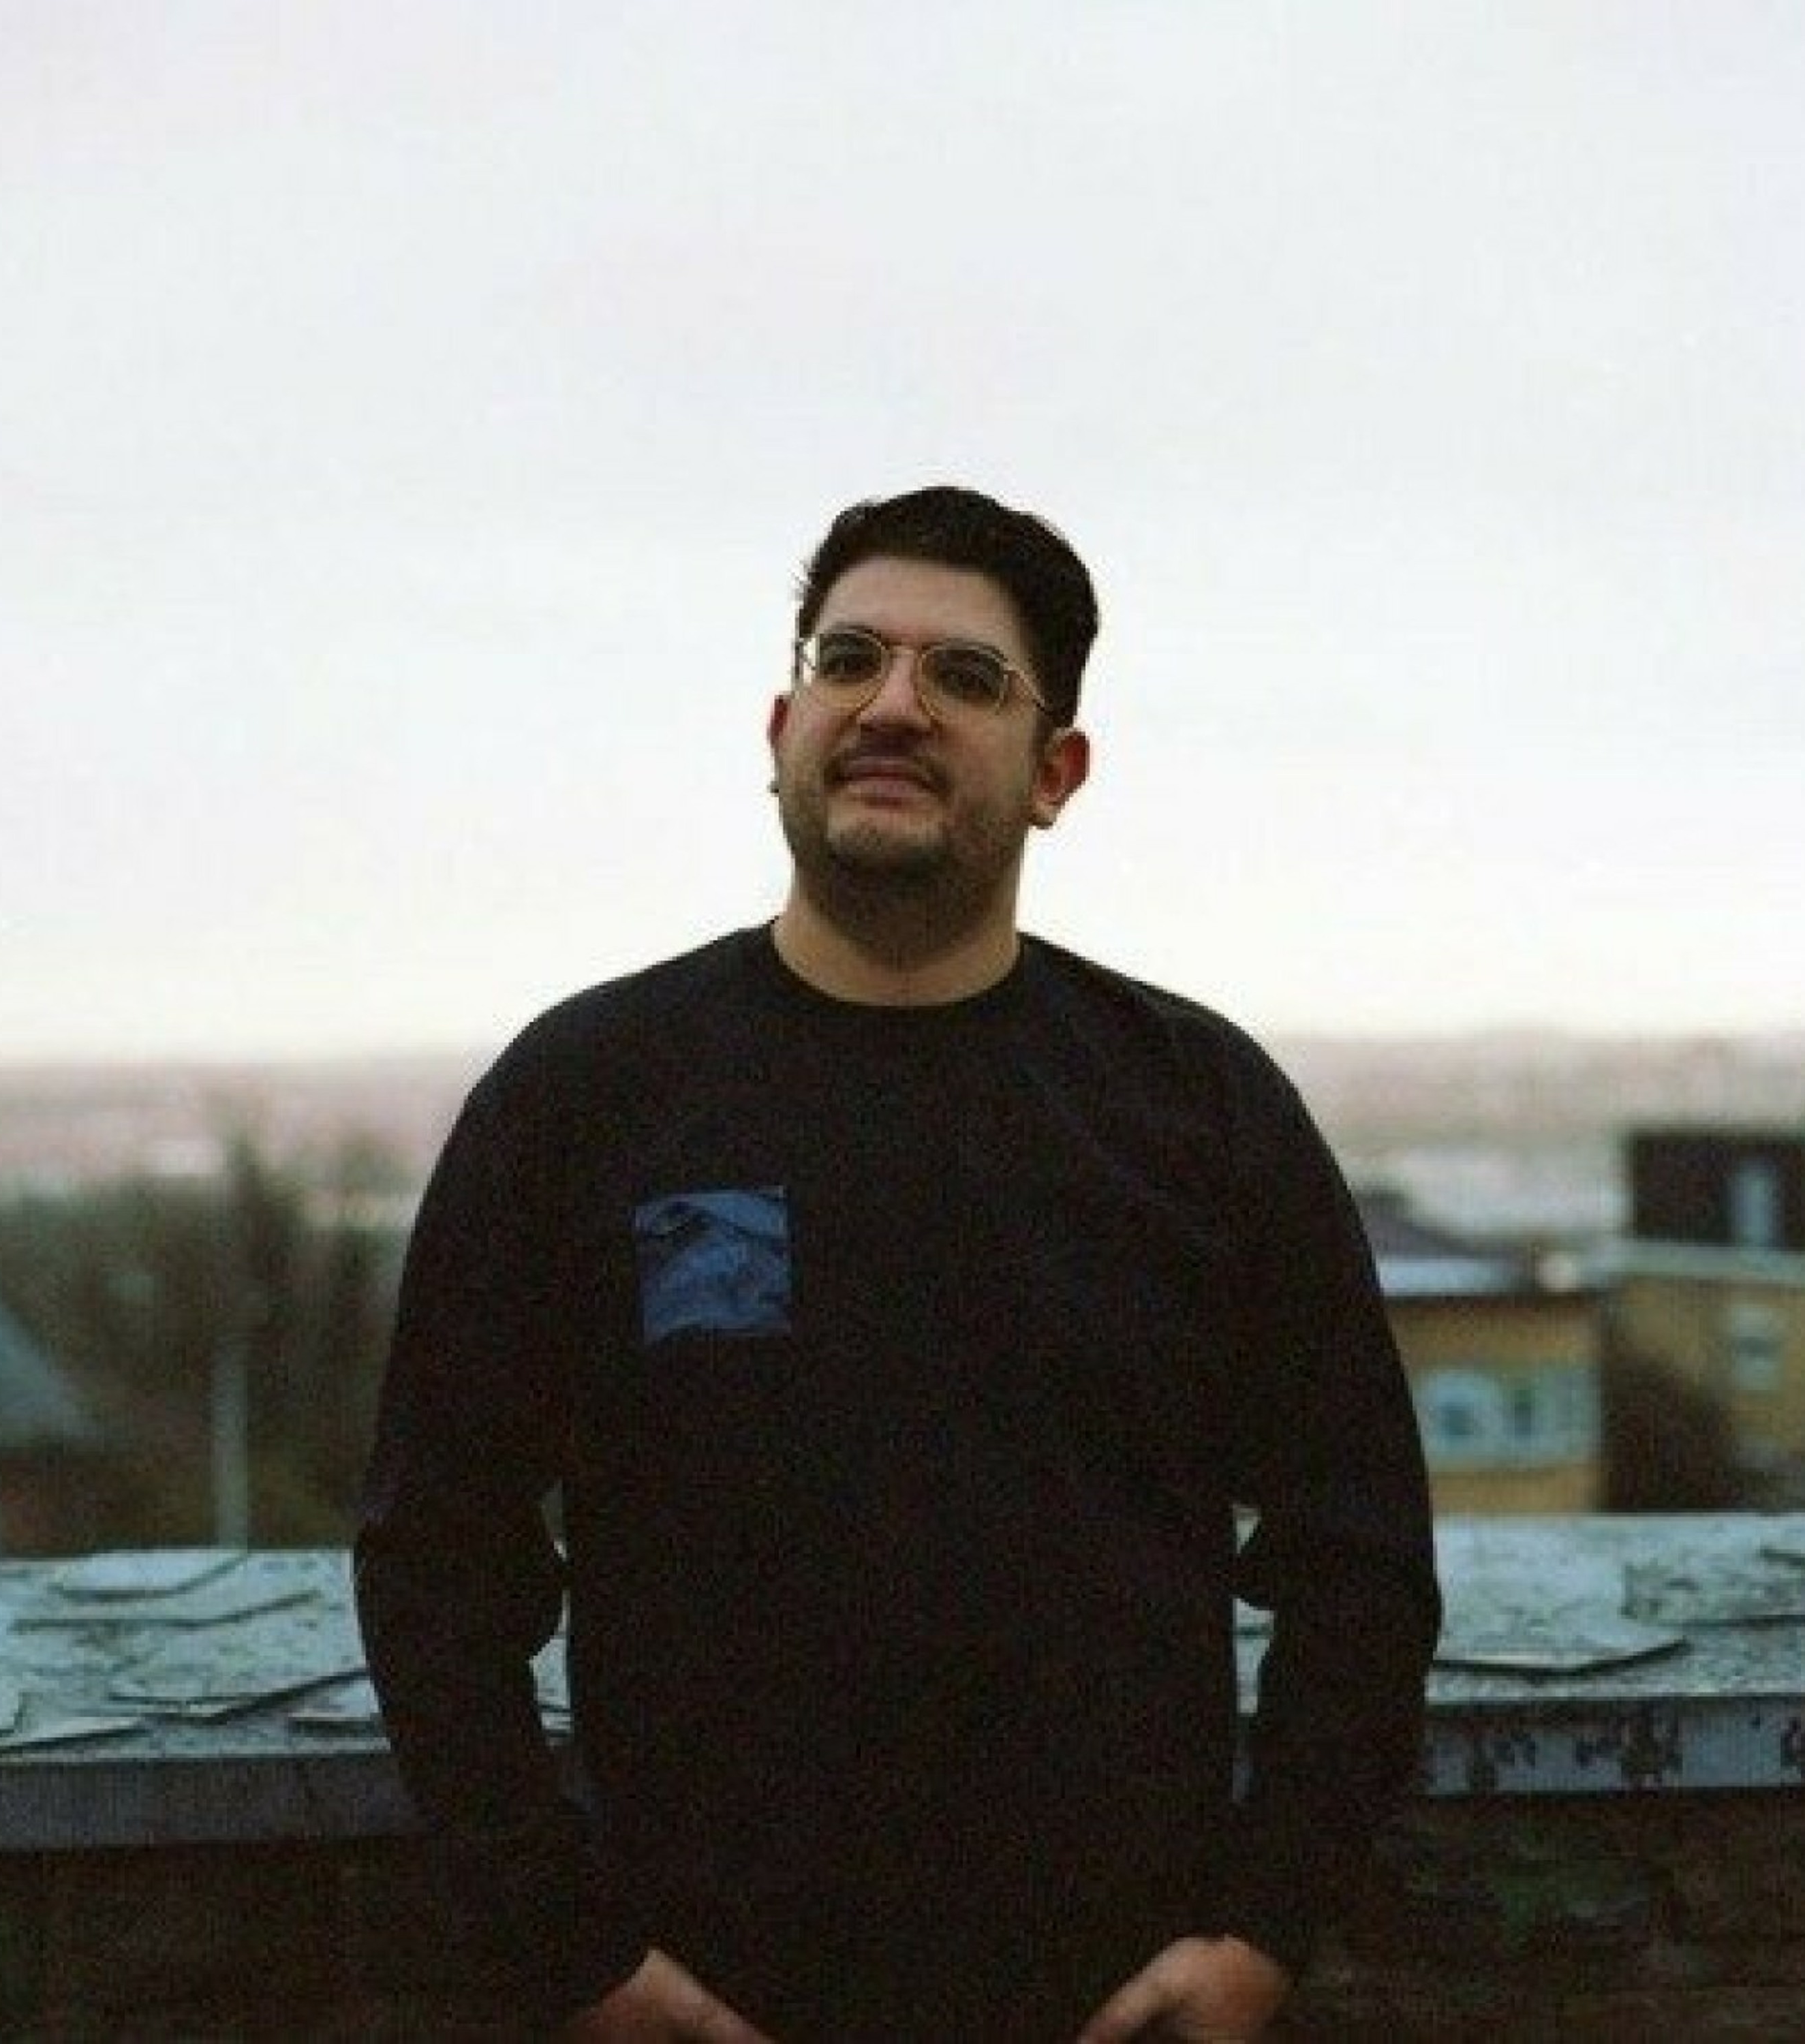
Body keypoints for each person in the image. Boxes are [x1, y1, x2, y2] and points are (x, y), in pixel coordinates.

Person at [355, 485, 1440, 2041]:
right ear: (781, 728)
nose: (892, 706)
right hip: (706, 1999)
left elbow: (1363, 1558)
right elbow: (435, 1564)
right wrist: (575, 1958)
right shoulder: (585, 1099)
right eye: (850, 659)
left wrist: (1264, 1931)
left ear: (1056, 773)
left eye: (966, 677)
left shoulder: (1196, 1109)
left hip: (1109, 2006)